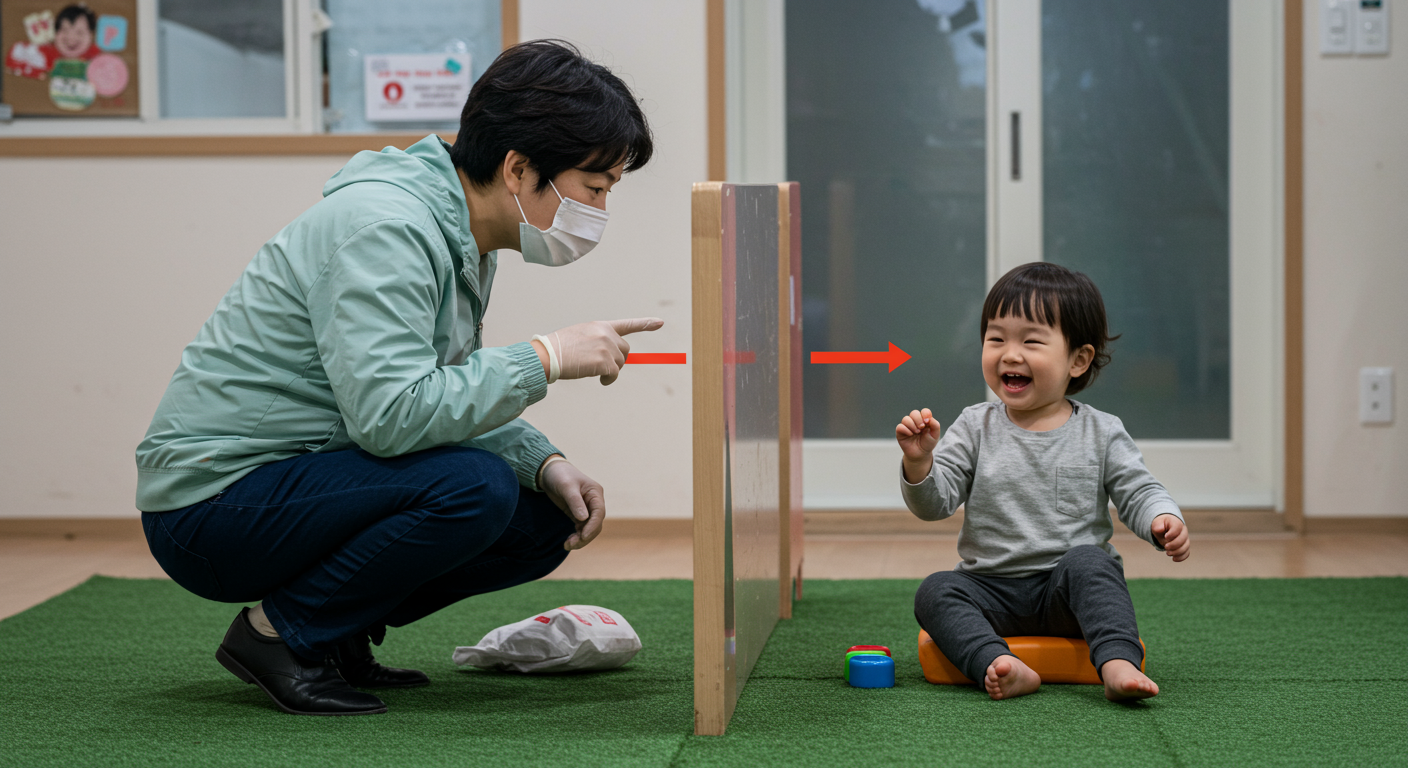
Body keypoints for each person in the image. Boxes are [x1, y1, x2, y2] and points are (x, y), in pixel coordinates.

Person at [135, 40, 659, 716]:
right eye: (595, 188)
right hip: (209, 507)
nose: (599, 211)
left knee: (537, 515)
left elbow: (439, 386)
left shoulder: (456, 230)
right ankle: (278, 637)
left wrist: (543, 461)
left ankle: (335, 630)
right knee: (473, 487)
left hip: (297, 478)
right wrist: (546, 358)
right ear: (519, 168)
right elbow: (392, 418)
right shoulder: (384, 226)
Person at [895, 262, 1191, 702]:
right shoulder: (974, 426)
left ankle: (1116, 662)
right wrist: (919, 464)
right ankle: (998, 662)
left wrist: (1162, 518)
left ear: (1078, 359)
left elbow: (1139, 489)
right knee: (935, 590)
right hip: (991, 591)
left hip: (1066, 596)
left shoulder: (1102, 431)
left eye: (1031, 341)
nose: (1010, 354)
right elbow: (935, 504)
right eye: (996, 339)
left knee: (1093, 563)